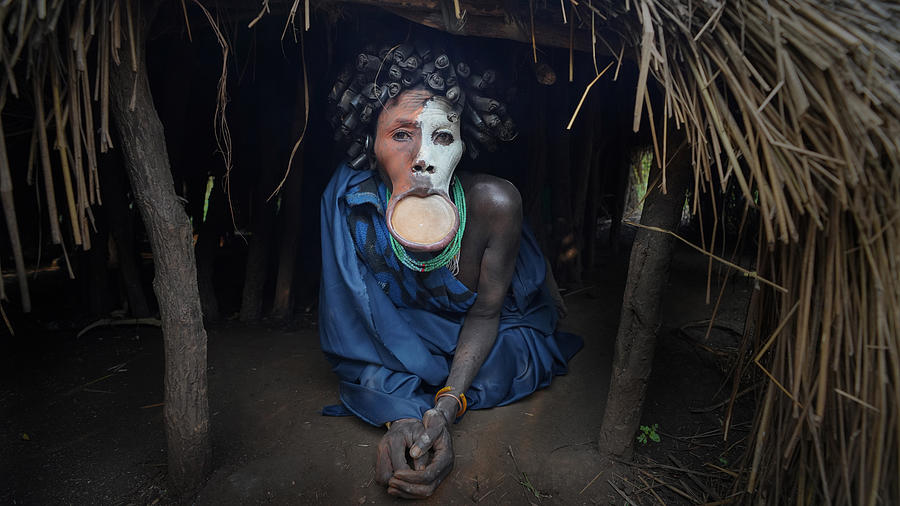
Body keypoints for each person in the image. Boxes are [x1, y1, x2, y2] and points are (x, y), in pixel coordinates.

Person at [318, 40, 581, 498]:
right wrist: (401, 417)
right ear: (368, 142)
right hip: (397, 339)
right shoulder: (350, 204)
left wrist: (445, 407)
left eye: (441, 136)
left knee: (515, 356)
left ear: (463, 145)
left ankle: (435, 387)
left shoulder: (495, 205)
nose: (422, 158)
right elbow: (354, 324)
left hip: (479, 334)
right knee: (369, 361)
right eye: (401, 134)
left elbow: (485, 316)